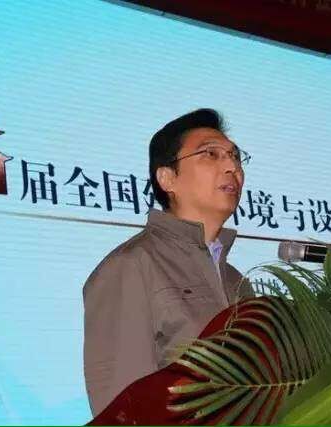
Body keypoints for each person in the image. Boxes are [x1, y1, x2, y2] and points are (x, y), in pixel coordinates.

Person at [82, 108, 255, 416]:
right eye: (210, 154)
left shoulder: (238, 282)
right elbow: (122, 411)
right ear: (167, 178)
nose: (232, 166)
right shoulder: (132, 266)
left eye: (235, 156)